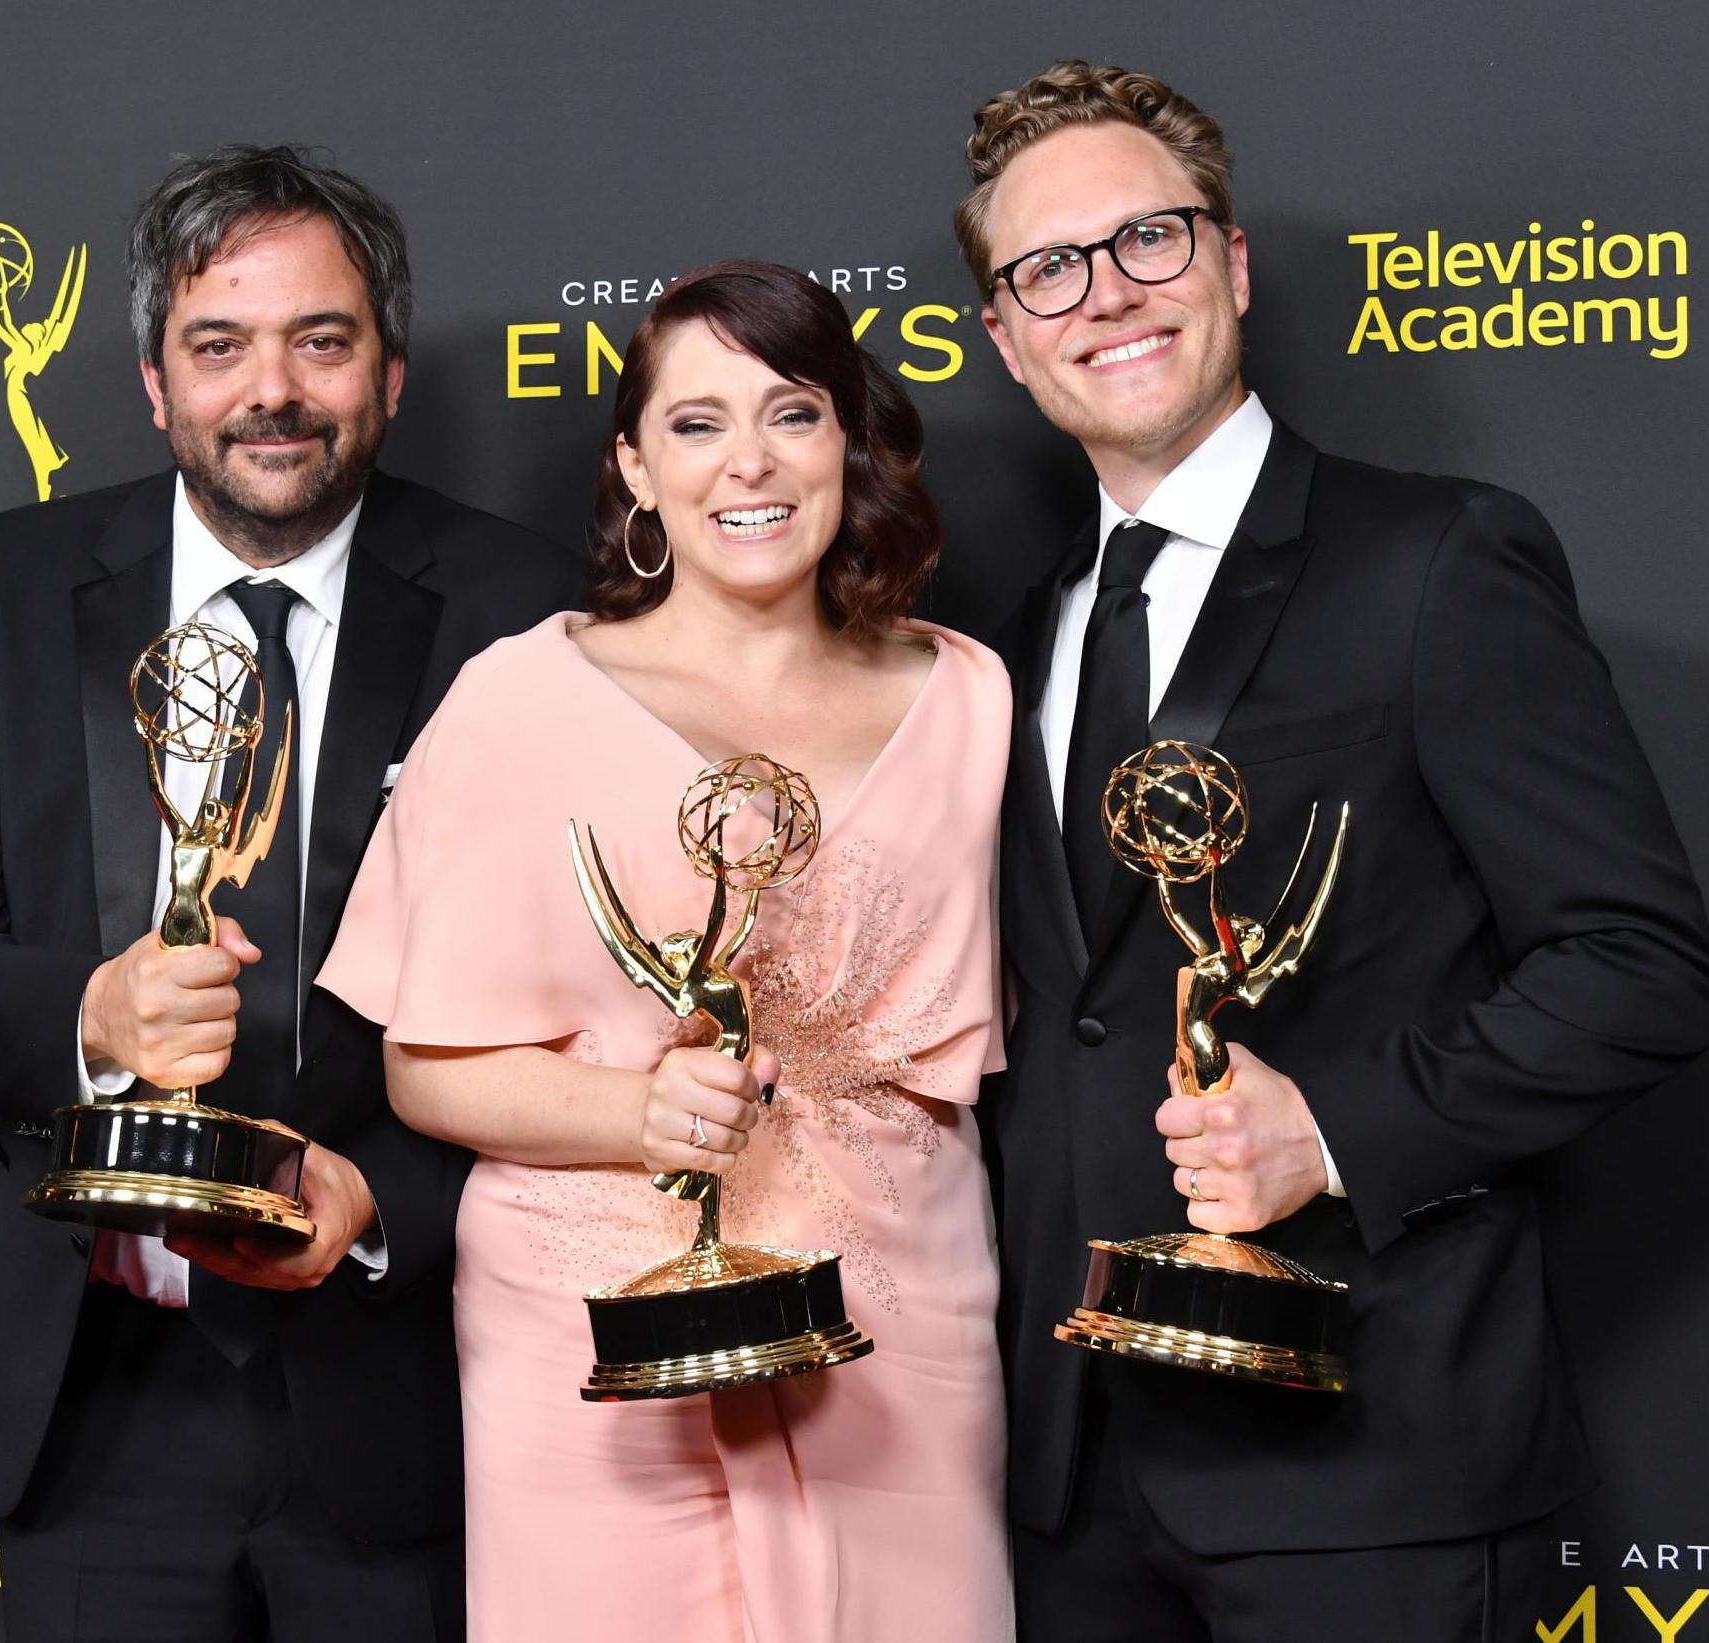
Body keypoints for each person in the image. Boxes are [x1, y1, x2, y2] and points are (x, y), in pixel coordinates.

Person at [957, 62, 1709, 1643]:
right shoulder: (1006, 640)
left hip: (1366, 1466)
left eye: (1148, 241)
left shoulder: (1437, 559)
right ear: (1006, 337)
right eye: (1048, 268)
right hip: (1069, 1477)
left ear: (1232, 267)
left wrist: (1340, 1131)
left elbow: (1641, 966)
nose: (1105, 294)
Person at [0, 145, 577, 1643]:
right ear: (151, 382)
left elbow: (580, 1011)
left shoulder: (521, 610)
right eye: (219, 344)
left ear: (385, 372)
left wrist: (387, 1195)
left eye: (321, 340)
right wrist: (92, 1011)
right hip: (88, 1387)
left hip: (408, 1386)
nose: (274, 389)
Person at [314, 261, 1015, 1642]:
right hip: (593, 1332)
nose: (745, 463)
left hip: (899, 1312)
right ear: (634, 466)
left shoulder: (971, 696)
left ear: (850, 442)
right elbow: (426, 1070)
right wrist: (635, 1111)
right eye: (695, 425)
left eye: (792, 413)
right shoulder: (522, 695)